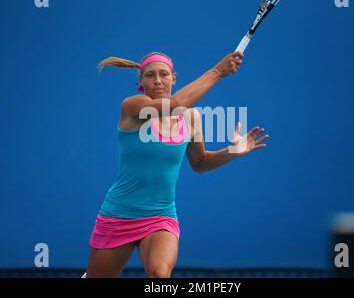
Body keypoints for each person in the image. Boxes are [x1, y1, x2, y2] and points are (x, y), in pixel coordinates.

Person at [85, 51, 269, 278]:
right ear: (141, 82)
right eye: (150, 75)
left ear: (174, 78)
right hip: (118, 215)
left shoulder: (191, 118)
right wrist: (217, 72)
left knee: (160, 275)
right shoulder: (132, 106)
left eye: (164, 74)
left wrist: (231, 151)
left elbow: (200, 163)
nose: (158, 80)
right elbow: (174, 104)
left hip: (160, 216)